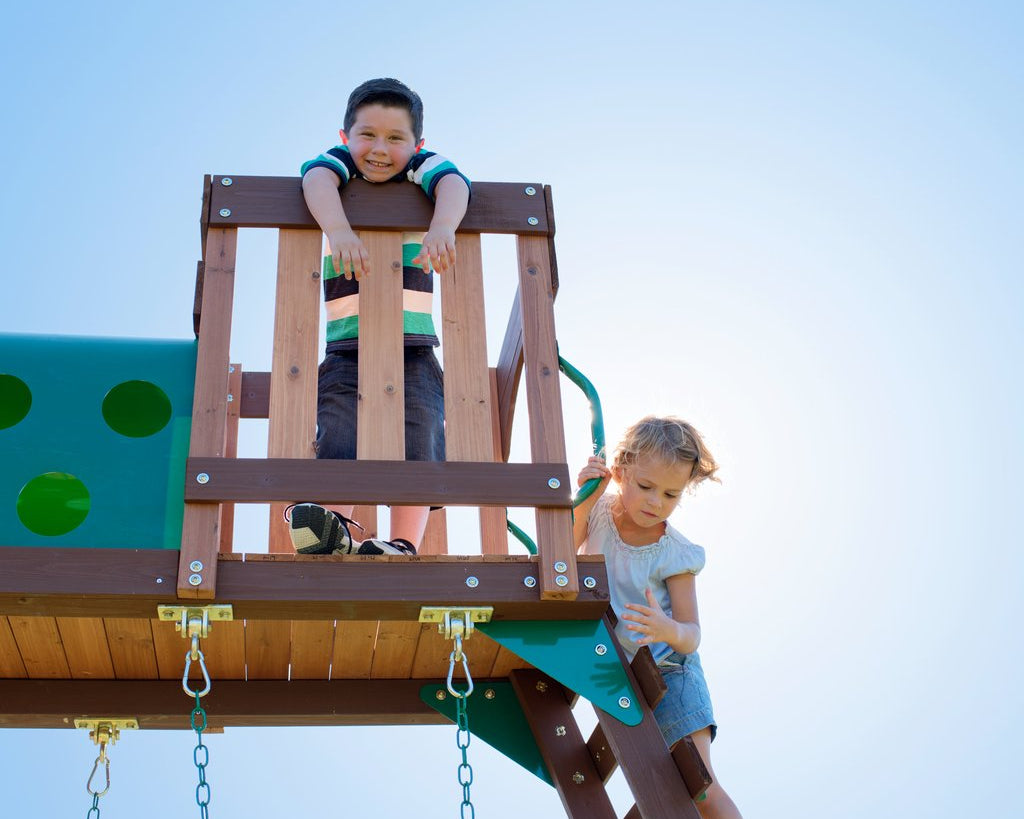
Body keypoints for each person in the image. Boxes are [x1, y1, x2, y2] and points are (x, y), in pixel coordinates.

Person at [287, 77, 470, 557]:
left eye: (396, 139)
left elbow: (454, 182)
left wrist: (442, 227)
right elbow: (314, 176)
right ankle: (334, 528)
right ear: (346, 137)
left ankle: (404, 541)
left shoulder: (422, 172)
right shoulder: (340, 170)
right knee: (338, 428)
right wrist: (340, 230)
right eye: (367, 135)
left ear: (418, 145)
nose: (380, 149)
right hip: (348, 343)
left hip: (414, 343)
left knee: (422, 431)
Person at [574, 416, 742, 818]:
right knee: (661, 792)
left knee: (700, 786)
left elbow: (691, 634)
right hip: (625, 674)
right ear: (620, 471)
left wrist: (667, 628)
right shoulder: (597, 510)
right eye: (646, 487)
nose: (656, 502)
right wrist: (582, 495)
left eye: (670, 494)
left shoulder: (676, 554)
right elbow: (562, 548)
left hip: (671, 672)